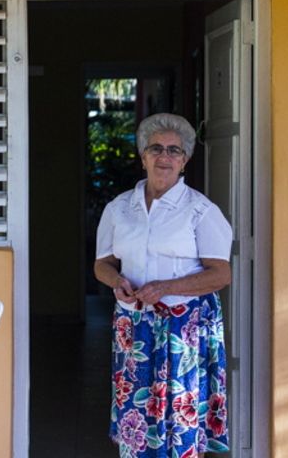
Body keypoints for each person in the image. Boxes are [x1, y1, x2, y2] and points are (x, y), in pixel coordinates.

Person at [94, 113, 232, 458]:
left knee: (180, 416)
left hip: (182, 327)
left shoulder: (200, 210)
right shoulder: (119, 208)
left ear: (184, 160)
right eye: (156, 148)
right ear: (142, 156)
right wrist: (118, 280)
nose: (164, 156)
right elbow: (102, 264)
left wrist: (166, 286)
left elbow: (220, 273)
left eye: (174, 150)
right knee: (137, 415)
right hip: (134, 325)